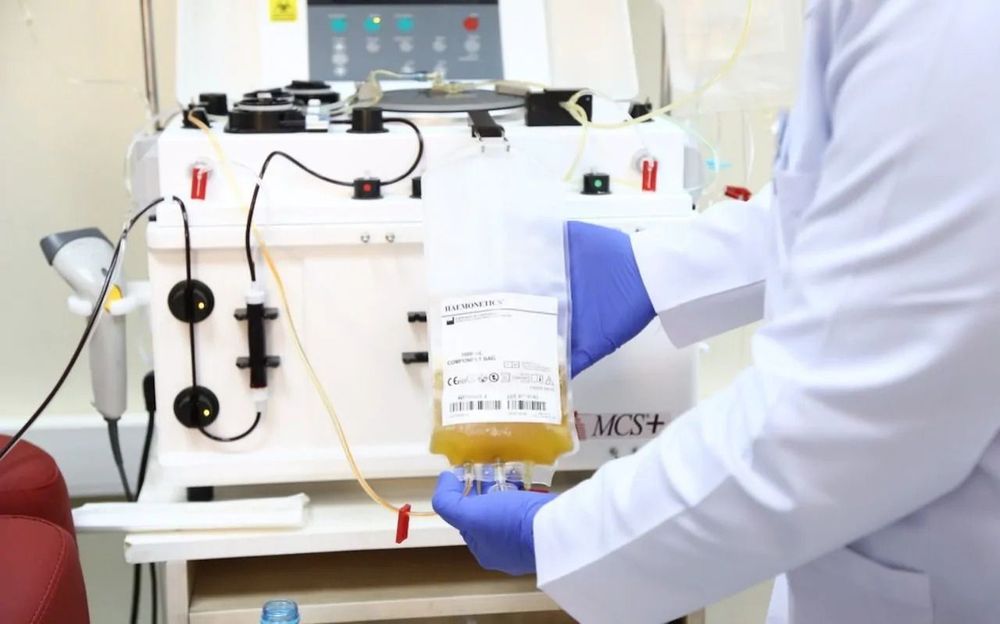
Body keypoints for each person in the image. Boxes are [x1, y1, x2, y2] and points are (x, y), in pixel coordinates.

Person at [432, 2, 1000, 622]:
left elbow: (837, 421)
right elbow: (857, 197)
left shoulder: (947, 21)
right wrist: (657, 268)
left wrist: (566, 535)